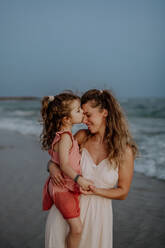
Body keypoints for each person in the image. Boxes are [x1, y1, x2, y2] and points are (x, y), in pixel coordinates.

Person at [46, 89, 138, 248]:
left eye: (88, 115)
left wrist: (95, 190)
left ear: (104, 112)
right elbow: (57, 160)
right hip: (67, 217)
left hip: (98, 220)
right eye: (82, 114)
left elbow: (122, 192)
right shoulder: (81, 137)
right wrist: (52, 168)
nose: (84, 120)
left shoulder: (124, 151)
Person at [40, 93, 94, 248]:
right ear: (66, 119)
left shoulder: (67, 136)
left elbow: (57, 162)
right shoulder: (65, 137)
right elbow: (63, 165)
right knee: (77, 228)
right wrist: (79, 179)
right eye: (78, 110)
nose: (82, 112)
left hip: (64, 186)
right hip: (61, 188)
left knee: (76, 226)